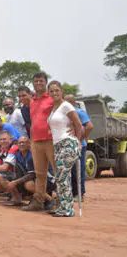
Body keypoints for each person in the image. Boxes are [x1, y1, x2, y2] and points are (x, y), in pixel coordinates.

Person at [46, 81, 82, 217]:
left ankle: (67, 209)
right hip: (58, 144)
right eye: (51, 91)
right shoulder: (54, 108)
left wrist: (78, 141)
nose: (54, 93)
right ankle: (63, 206)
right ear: (48, 93)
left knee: (62, 176)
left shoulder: (66, 105)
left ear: (61, 91)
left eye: (57, 90)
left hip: (68, 143)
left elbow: (79, 124)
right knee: (61, 176)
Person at [23, 72, 56, 212]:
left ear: (46, 82)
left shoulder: (53, 99)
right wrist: (31, 140)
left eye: (41, 81)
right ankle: (38, 201)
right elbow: (33, 123)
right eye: (35, 81)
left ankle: (60, 202)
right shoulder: (33, 102)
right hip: (36, 142)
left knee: (58, 172)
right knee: (40, 173)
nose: (38, 83)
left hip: (51, 140)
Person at [65, 94, 94, 199]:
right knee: (71, 170)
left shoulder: (78, 112)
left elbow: (90, 126)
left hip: (79, 146)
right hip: (69, 145)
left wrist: (83, 138)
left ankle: (80, 193)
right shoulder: (67, 114)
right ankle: (73, 192)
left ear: (71, 102)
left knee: (78, 170)